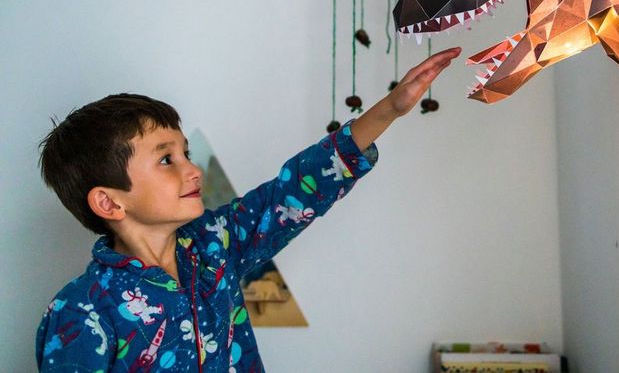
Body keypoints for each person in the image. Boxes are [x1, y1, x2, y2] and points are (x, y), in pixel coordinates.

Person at [35, 47, 461, 372]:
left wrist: (389, 109)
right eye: (167, 160)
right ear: (109, 202)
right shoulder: (81, 312)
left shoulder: (214, 246)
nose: (193, 169)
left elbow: (294, 192)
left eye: (186, 153)